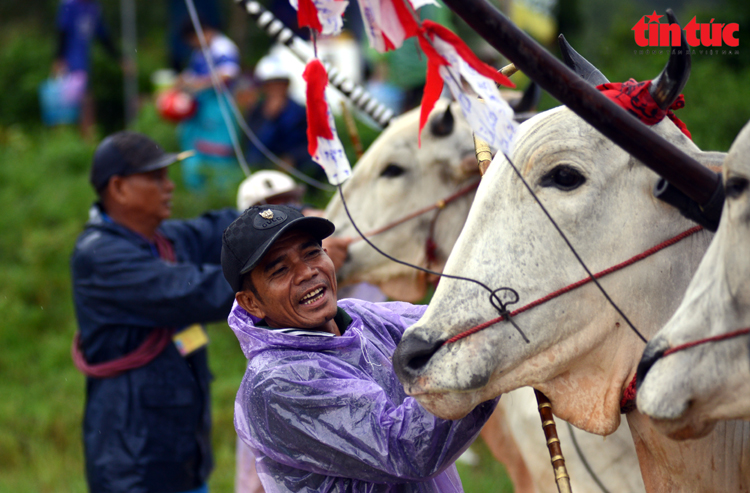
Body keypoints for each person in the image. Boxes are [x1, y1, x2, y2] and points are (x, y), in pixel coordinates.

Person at [220, 204, 497, 492]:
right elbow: (407, 448)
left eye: (311, 253)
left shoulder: (360, 316)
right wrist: (490, 348)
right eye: (280, 270)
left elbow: (447, 324)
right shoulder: (276, 383)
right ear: (251, 303)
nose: (306, 272)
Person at [70, 131, 239, 493]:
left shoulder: (164, 238)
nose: (169, 186)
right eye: (156, 177)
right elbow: (191, 291)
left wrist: (289, 221)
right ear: (118, 188)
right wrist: (283, 276)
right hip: (132, 463)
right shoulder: (99, 255)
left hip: (184, 456)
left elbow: (217, 230)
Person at [176, 19, 242, 191]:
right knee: (194, 149)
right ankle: (198, 194)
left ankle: (223, 194)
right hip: (200, 108)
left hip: (219, 104)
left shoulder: (223, 47)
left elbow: (229, 74)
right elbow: (191, 74)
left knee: (219, 152)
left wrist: (200, 84)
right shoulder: (199, 52)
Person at [244, 50, 322, 181]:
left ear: (287, 85)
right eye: (270, 85)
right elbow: (254, 150)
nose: (275, 89)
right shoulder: (256, 112)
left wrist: (292, 158)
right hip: (265, 172)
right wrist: (269, 119)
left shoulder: (301, 112)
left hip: (298, 172)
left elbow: (312, 146)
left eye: (279, 84)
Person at [53, 0, 120, 138]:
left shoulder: (93, 7)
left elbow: (103, 36)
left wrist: (119, 58)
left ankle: (86, 138)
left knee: (86, 101)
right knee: (70, 103)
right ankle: (67, 139)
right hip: (70, 62)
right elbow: (61, 33)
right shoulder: (69, 5)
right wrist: (58, 59)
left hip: (84, 62)